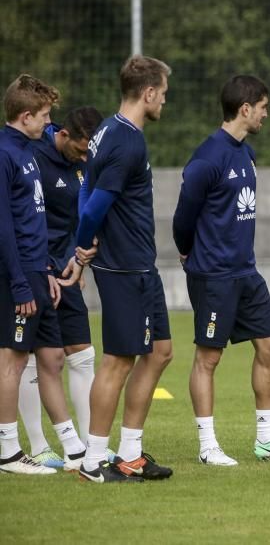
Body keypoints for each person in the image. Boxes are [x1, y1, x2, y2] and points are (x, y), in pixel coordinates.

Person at [173, 75, 270, 466]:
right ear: (245, 108)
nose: (266, 114)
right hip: (213, 274)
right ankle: (207, 446)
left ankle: (267, 441)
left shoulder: (246, 154)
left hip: (246, 272)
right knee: (208, 358)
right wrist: (187, 253)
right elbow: (183, 218)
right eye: (263, 107)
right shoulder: (207, 158)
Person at [60, 56, 175, 483]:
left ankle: (129, 454)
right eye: (162, 93)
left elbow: (85, 186)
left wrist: (86, 240)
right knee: (118, 363)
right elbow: (94, 204)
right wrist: (83, 242)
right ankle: (92, 460)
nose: (165, 100)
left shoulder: (108, 128)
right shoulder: (128, 142)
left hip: (140, 264)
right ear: (147, 93)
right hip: (126, 268)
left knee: (160, 352)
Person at [0, 74, 87, 474]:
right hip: (16, 277)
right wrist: (20, 282)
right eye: (45, 116)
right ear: (25, 116)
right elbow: (4, 227)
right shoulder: (4, 153)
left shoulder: (28, 153)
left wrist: (47, 271)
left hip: (40, 272)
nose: (49, 123)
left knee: (51, 358)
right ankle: (7, 451)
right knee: (13, 362)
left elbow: (33, 220)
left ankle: (74, 448)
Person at [17, 107, 103, 468]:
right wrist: (44, 266)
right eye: (81, 150)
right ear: (64, 135)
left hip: (65, 270)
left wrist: (77, 256)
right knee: (36, 360)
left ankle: (90, 446)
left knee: (82, 354)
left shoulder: (85, 163)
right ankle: (39, 446)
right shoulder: (32, 155)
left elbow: (79, 219)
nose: (85, 158)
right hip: (34, 268)